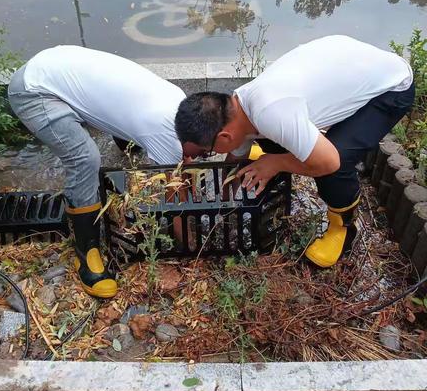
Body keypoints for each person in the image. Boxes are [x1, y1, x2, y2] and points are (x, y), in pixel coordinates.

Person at [175, 35, 414, 268]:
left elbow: (329, 163)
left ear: (224, 136)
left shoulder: (272, 113)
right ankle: (275, 164)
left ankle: (342, 230)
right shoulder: (236, 109)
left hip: (390, 89)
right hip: (348, 65)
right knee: (273, 143)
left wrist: (276, 163)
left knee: (336, 163)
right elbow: (236, 154)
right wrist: (225, 199)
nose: (207, 154)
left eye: (207, 151)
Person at [8, 46, 186, 298]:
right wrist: (186, 239)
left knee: (127, 119)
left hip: (54, 65)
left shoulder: (175, 100)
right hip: (33, 91)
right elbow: (174, 186)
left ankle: (124, 140)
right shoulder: (162, 128)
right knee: (85, 158)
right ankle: (87, 253)